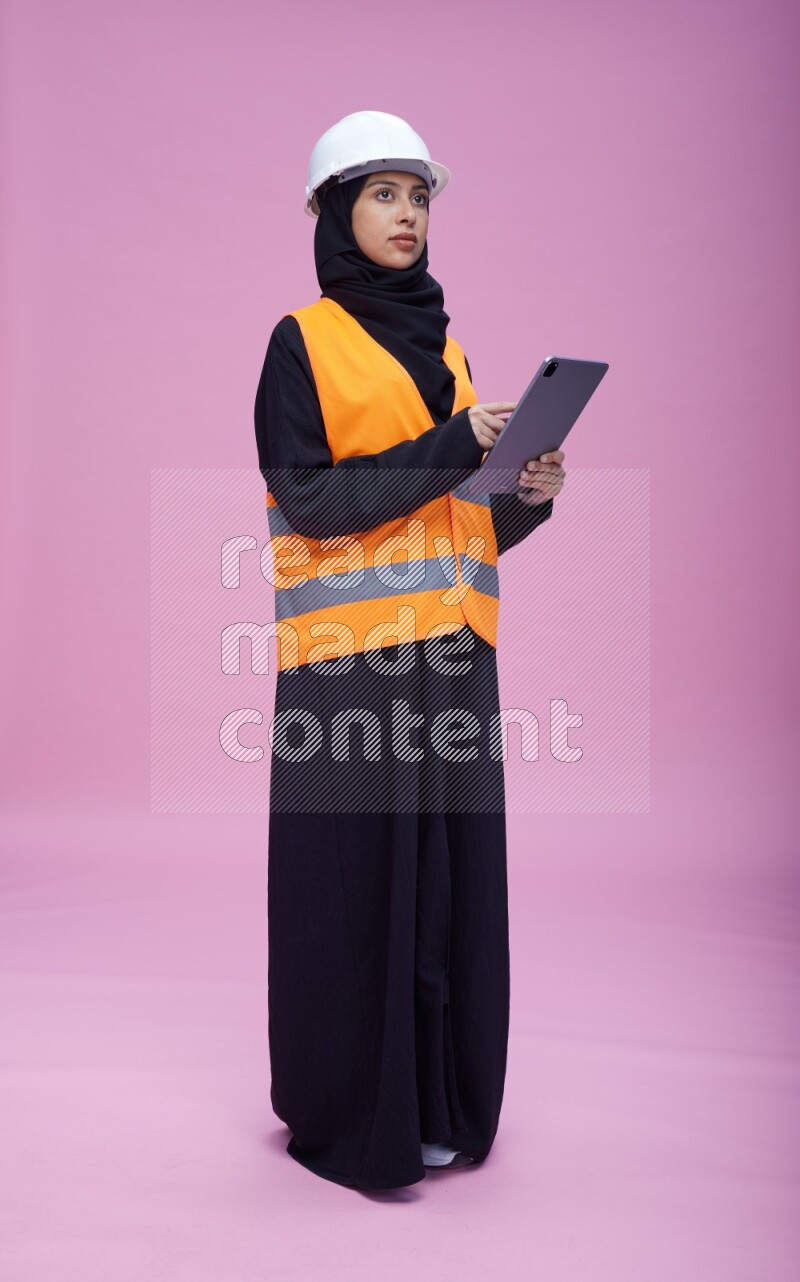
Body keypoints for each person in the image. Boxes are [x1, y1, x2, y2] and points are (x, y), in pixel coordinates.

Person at [253, 110, 566, 1190]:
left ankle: (436, 1104)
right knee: (357, 893)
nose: (406, 214)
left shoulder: (448, 346)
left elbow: (451, 519)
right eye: (382, 193)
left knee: (444, 892)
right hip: (351, 669)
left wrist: (521, 497)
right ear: (334, 210)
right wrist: (451, 443)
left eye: (418, 196)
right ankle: (353, 1118)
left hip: (453, 660)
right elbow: (307, 500)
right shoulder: (302, 340)